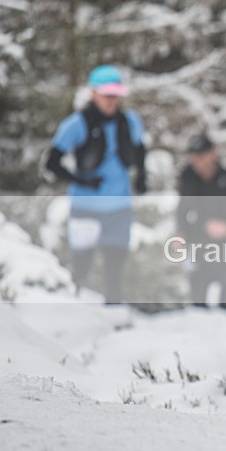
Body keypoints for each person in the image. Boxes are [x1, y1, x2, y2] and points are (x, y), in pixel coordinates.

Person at [46, 64, 146, 304]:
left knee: (115, 267)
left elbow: (141, 151)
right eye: (107, 95)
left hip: (119, 206)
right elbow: (52, 163)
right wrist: (81, 180)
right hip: (85, 205)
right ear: (93, 93)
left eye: (116, 95)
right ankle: (73, 306)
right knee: (82, 264)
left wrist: (142, 177)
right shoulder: (75, 124)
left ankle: (114, 310)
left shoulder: (130, 122)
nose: (112, 101)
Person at [176, 133, 226, 311]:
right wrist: (182, 233)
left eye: (201, 155)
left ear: (213, 153)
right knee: (197, 305)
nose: (198, 161)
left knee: (225, 304)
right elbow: (182, 211)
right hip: (199, 245)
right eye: (194, 157)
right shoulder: (188, 179)